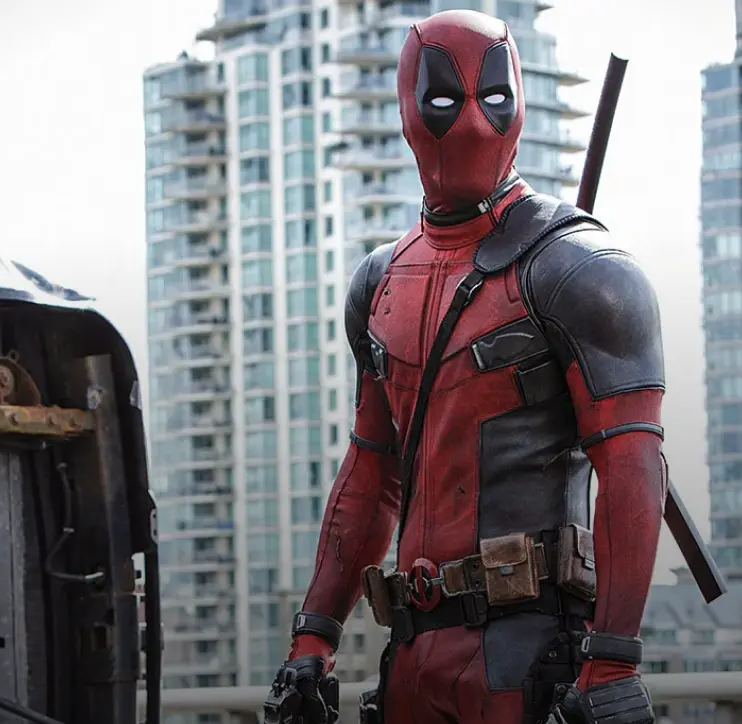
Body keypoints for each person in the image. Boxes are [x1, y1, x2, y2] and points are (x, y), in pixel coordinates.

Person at [265, 9, 665, 724]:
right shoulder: (378, 282)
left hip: (529, 657)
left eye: (496, 97)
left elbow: (632, 468)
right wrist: (313, 636)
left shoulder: (581, 271)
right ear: (409, 104)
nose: (476, 122)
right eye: (448, 98)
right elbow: (369, 474)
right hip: (412, 659)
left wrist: (612, 660)